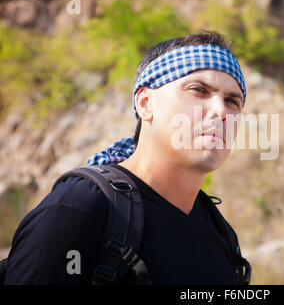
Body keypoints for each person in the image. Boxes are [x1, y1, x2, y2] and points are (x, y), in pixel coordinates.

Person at [4, 30, 249, 284]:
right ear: (145, 103)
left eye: (233, 101)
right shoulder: (80, 209)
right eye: (198, 90)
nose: (221, 111)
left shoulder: (220, 234)